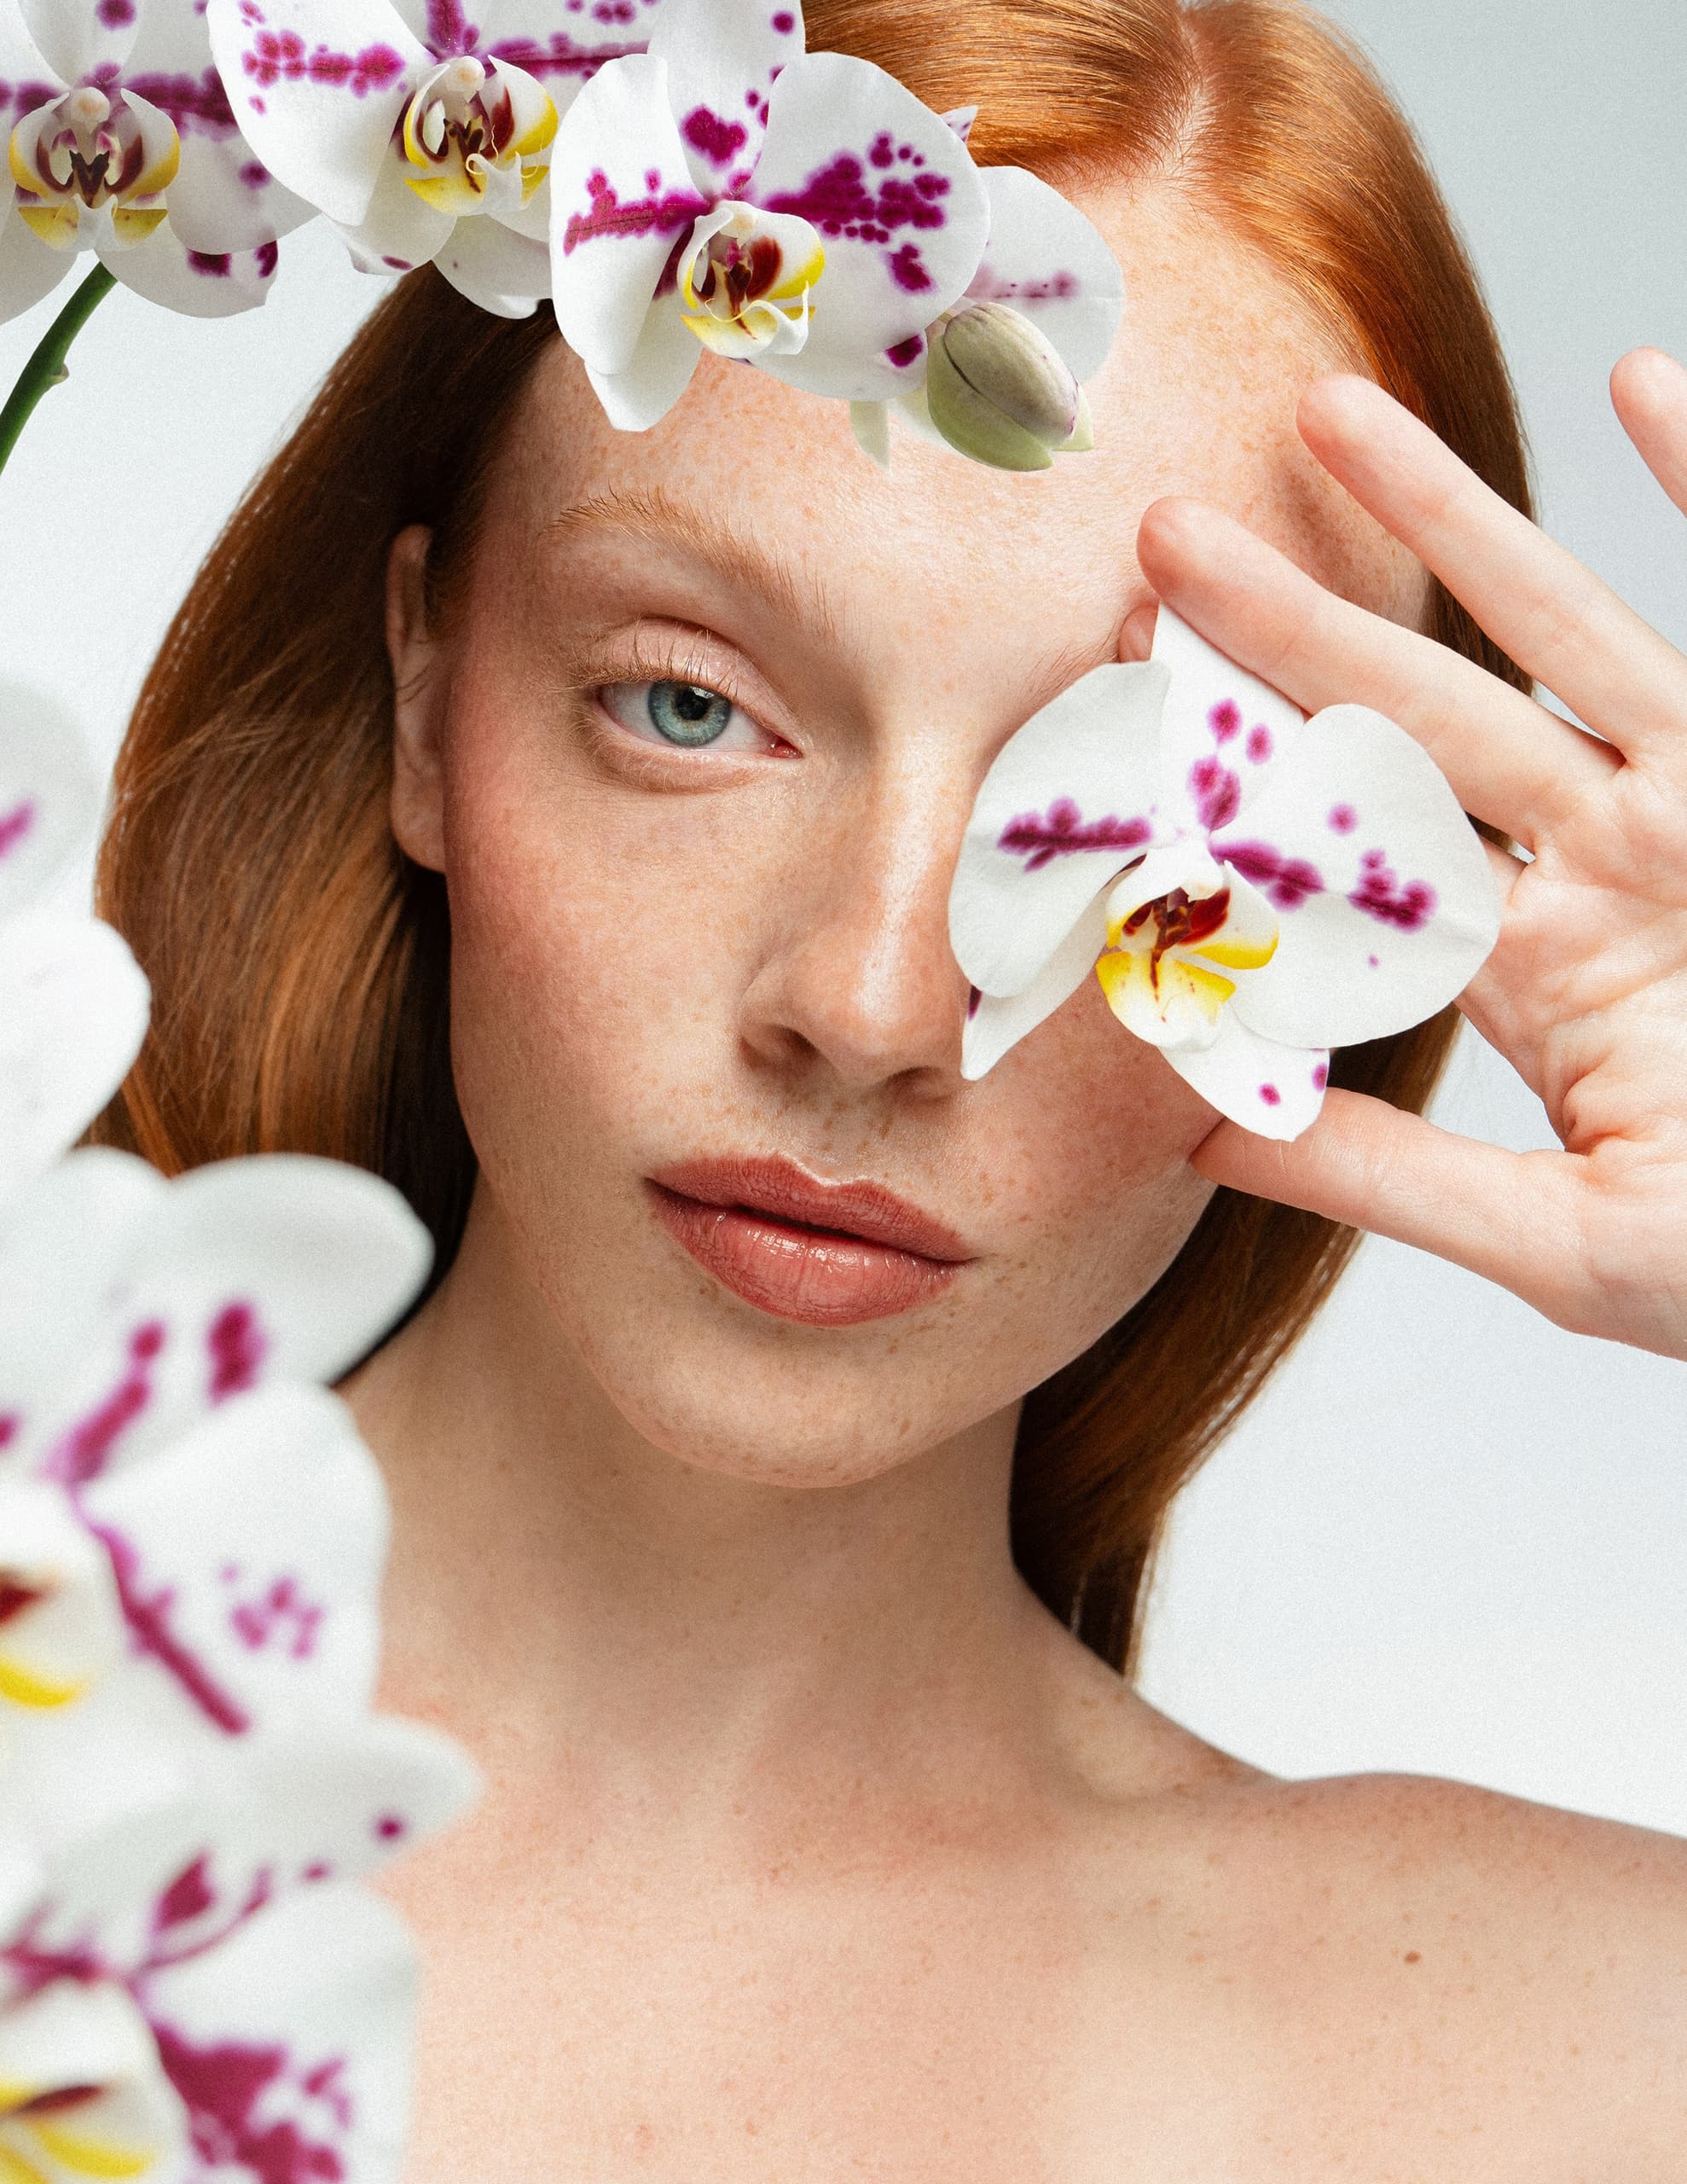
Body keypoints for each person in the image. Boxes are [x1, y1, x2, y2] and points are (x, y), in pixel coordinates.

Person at [92, 0, 1687, 2172]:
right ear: (424, 682)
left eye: (1116, 828)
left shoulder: (1585, 2057)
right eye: (684, 705)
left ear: (1379, 919)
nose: (866, 1004)